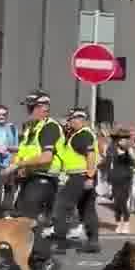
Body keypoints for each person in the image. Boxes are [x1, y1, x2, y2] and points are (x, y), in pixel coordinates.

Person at [0, 90, 64, 270]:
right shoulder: (30, 128)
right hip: (30, 179)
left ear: (43, 107)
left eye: (31, 107)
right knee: (18, 222)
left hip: (44, 181)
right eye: (28, 108)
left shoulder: (50, 128)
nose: (28, 112)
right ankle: (25, 265)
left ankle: (44, 258)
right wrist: (12, 168)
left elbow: (46, 157)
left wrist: (20, 164)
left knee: (26, 222)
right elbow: (22, 153)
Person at [51, 107, 101, 255]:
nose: (69, 122)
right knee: (87, 209)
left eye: (71, 119)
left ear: (79, 119)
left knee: (61, 207)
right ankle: (93, 242)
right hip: (84, 176)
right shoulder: (82, 134)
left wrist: (89, 177)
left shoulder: (82, 135)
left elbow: (90, 155)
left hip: (79, 177)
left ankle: (60, 243)